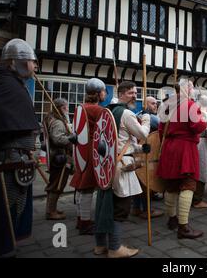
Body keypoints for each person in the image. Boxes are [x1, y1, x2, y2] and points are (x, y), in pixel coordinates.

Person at [0, 38, 40, 257]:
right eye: (32, 61)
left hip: (16, 159)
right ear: (18, 62)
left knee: (12, 206)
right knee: (5, 207)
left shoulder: (11, 84)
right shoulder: (5, 85)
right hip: (8, 161)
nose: (35, 66)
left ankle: (5, 241)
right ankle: (1, 245)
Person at [93, 81, 150, 258]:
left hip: (107, 164)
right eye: (132, 93)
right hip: (121, 165)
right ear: (123, 93)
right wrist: (146, 118)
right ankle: (115, 248)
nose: (135, 96)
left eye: (136, 93)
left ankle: (100, 245)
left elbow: (120, 140)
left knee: (104, 204)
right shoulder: (126, 113)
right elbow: (143, 134)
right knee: (120, 206)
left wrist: (139, 150)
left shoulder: (107, 111)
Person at [157, 78, 207, 239]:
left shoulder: (165, 105)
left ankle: (172, 219)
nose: (193, 91)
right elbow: (197, 126)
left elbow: (160, 130)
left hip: (169, 147)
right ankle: (183, 227)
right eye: (192, 88)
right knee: (188, 184)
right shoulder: (190, 105)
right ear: (187, 89)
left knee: (171, 184)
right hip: (185, 148)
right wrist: (204, 121)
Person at [70, 78, 107, 235]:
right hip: (92, 151)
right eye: (104, 91)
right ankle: (85, 223)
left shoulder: (81, 108)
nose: (105, 93)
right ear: (99, 93)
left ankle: (81, 219)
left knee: (81, 186)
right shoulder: (97, 110)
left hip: (81, 151)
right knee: (87, 188)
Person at [43, 98, 77, 220]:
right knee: (57, 185)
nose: (67, 109)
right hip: (59, 157)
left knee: (55, 183)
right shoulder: (57, 122)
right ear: (60, 108)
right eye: (65, 107)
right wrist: (71, 139)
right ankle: (50, 212)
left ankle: (51, 209)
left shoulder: (52, 118)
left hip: (56, 156)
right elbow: (57, 139)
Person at [131, 96, 164, 219]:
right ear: (145, 104)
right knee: (145, 181)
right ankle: (146, 210)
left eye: (156, 103)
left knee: (139, 180)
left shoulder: (136, 115)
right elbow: (162, 127)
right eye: (152, 103)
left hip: (138, 152)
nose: (155, 105)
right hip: (146, 152)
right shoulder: (151, 117)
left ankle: (136, 207)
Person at [192, 94, 207, 209]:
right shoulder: (195, 113)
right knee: (200, 170)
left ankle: (196, 197)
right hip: (199, 143)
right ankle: (197, 200)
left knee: (201, 169)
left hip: (204, 144)